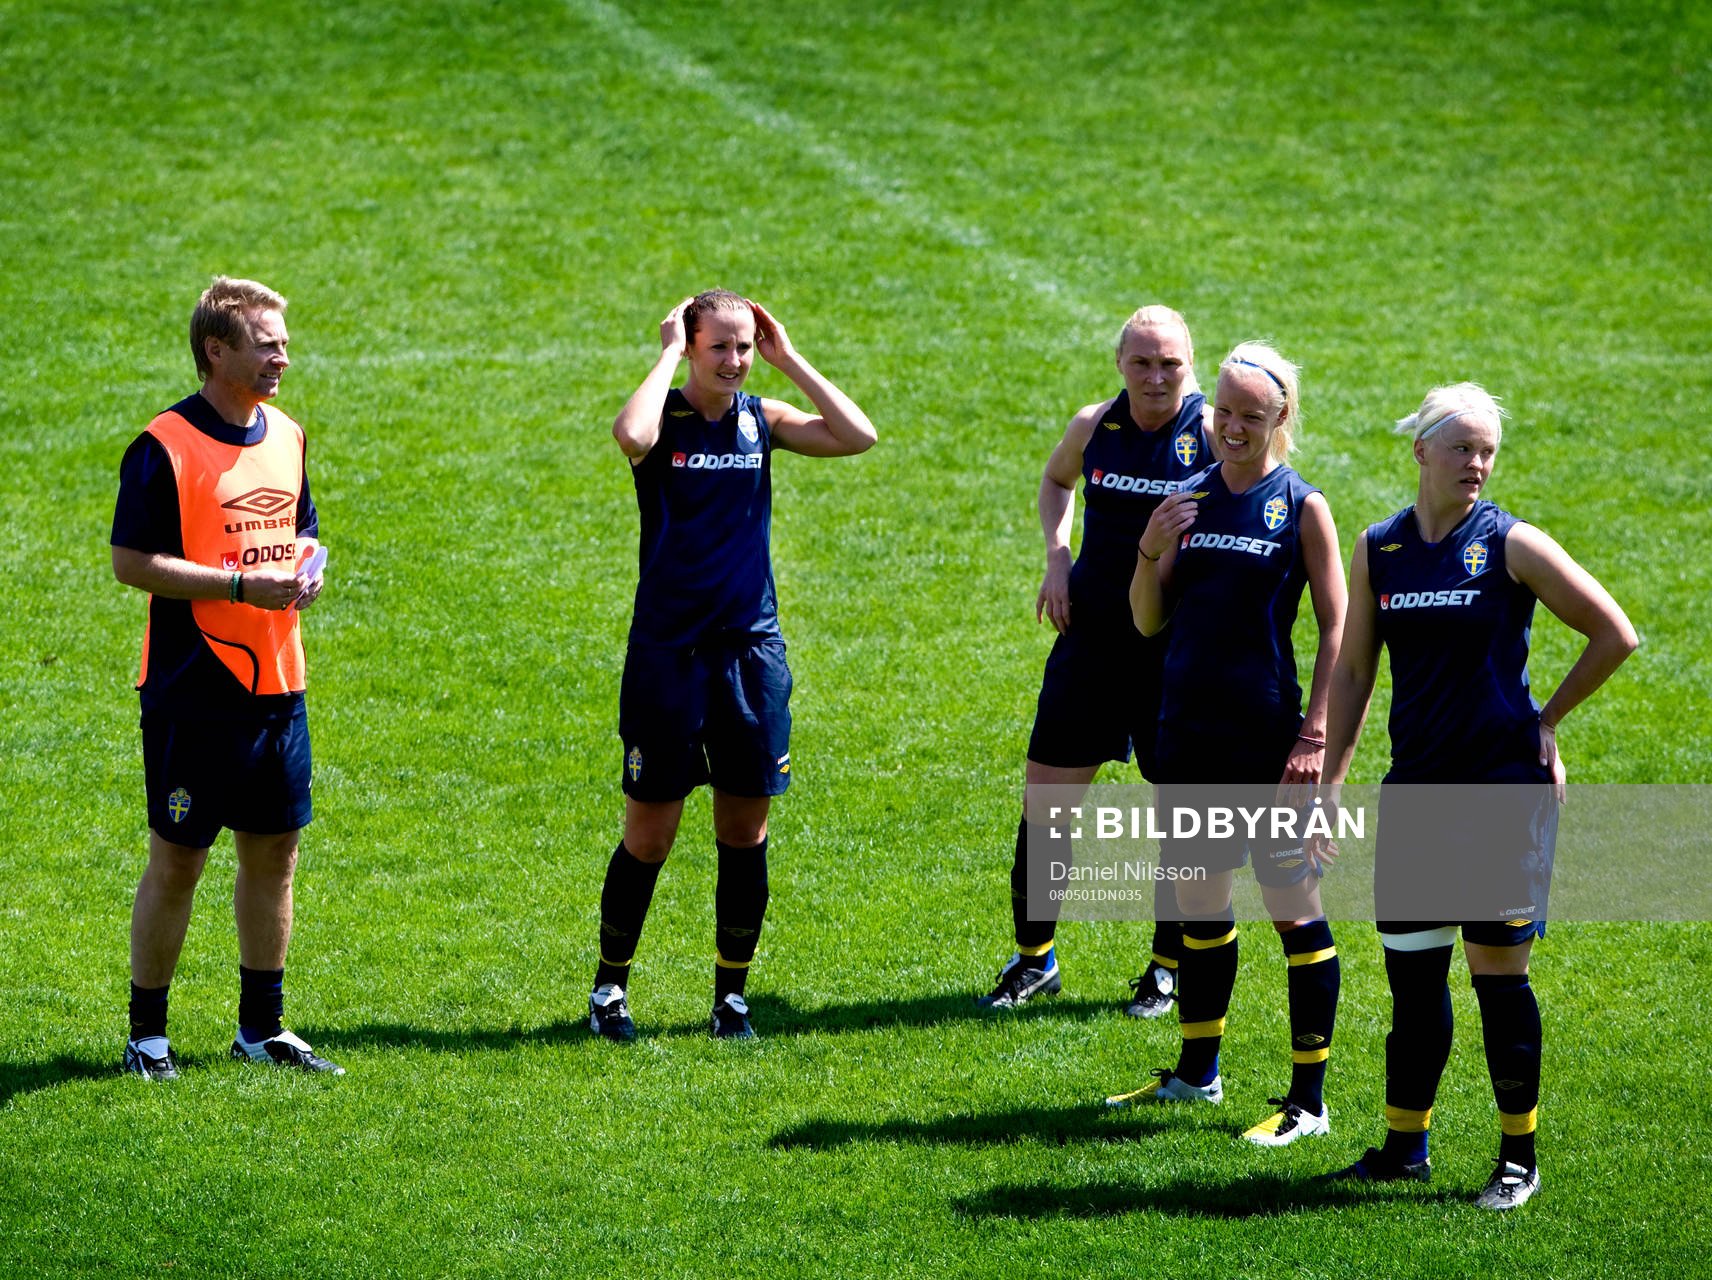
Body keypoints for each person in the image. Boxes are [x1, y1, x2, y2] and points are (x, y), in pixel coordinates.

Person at [1316, 383, 1636, 1207]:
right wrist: (1329, 787)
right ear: (1421, 451)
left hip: (1500, 797)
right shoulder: (1380, 549)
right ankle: (1403, 1144)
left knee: (1498, 981)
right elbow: (1354, 671)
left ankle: (1518, 1157)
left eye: (1488, 451)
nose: (1478, 463)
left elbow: (1615, 632)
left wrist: (1547, 720)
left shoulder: (1511, 544)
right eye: (1462, 448)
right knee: (1414, 983)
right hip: (1417, 797)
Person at [589, 289, 877, 1041]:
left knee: (743, 834)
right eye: (720, 346)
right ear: (691, 347)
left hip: (752, 654)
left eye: (745, 345)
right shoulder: (667, 422)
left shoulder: (763, 420)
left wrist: (791, 360)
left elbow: (859, 436)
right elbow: (629, 434)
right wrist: (661, 355)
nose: (736, 360)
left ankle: (731, 1000)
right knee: (649, 834)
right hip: (667, 654)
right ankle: (609, 993)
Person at [1108, 341, 1347, 1149]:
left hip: (1267, 743)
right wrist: (1149, 546)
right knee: (1200, 904)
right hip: (1189, 735)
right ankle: (1196, 1074)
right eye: (1224, 411)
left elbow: (1339, 629)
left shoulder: (1301, 505)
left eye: (1252, 414)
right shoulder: (1190, 498)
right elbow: (1148, 620)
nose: (1232, 427)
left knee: (1294, 914)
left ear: (1280, 418)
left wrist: (1315, 735)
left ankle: (1308, 1103)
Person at [111, 276, 338, 1079]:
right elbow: (130, 562)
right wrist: (239, 586)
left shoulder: (288, 434)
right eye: (267, 342)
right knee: (179, 858)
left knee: (275, 852)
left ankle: (260, 1029)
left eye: (283, 341)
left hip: (279, 678)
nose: (283, 354)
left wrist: (309, 568)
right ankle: (147, 1037)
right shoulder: (164, 445)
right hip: (193, 687)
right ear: (218, 350)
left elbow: (301, 527)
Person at [977, 305, 1212, 1015]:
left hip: (1173, 653)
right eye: (1141, 362)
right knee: (1045, 804)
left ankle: (1166, 969)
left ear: (1189, 363)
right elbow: (1057, 482)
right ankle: (1034, 962)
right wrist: (1057, 556)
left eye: (1169, 363)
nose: (1155, 376)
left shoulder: (1210, 433)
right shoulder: (1095, 425)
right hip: (1091, 642)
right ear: (1119, 363)